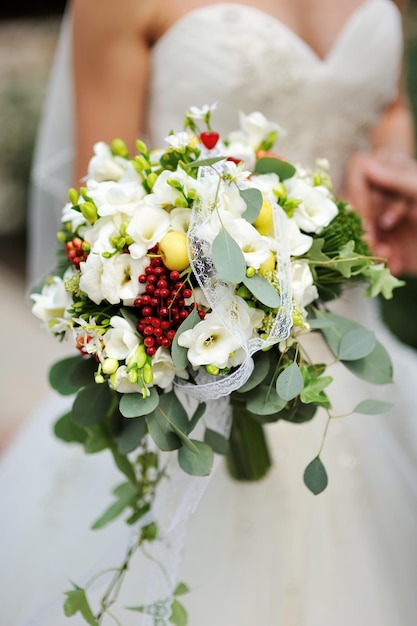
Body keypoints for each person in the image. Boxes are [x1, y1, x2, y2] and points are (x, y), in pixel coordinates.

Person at [3, 1, 417, 625]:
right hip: (199, 372)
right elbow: (99, 208)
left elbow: (386, 106)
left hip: (348, 356)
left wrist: (390, 176)